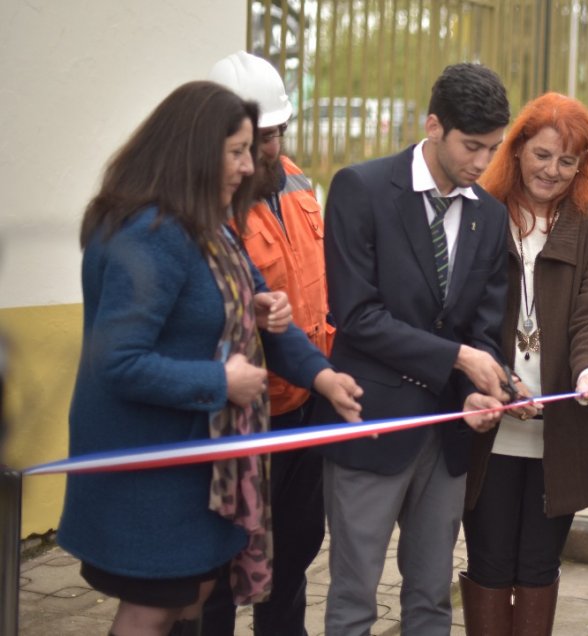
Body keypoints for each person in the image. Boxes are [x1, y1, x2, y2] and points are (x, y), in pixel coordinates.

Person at [56, 81, 362, 636]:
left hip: (199, 461)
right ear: (193, 149)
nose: (251, 166)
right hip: (151, 467)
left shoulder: (212, 225)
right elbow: (118, 362)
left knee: (192, 597)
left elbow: (263, 316)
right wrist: (219, 381)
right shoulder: (147, 233)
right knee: (153, 609)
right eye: (238, 151)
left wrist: (322, 377)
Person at [314, 62, 513, 636]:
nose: (482, 163)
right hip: (370, 424)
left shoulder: (489, 214)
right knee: (354, 601)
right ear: (433, 126)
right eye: (472, 146)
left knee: (430, 602)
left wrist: (479, 391)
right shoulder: (362, 188)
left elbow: (482, 325)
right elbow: (356, 315)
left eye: (493, 149)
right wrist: (457, 359)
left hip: (447, 435)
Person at [459, 92, 588, 635]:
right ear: (517, 150)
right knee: (488, 562)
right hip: (490, 429)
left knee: (537, 564)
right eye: (541, 155)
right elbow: (465, 315)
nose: (552, 171)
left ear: (583, 166)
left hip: (561, 434)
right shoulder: (482, 214)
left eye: (567, 160)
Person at [201, 51, 336, 635]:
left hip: (304, 407)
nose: (270, 150)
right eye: (258, 139)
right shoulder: (210, 204)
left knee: (295, 555)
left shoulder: (301, 181)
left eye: (277, 133)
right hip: (242, 418)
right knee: (223, 566)